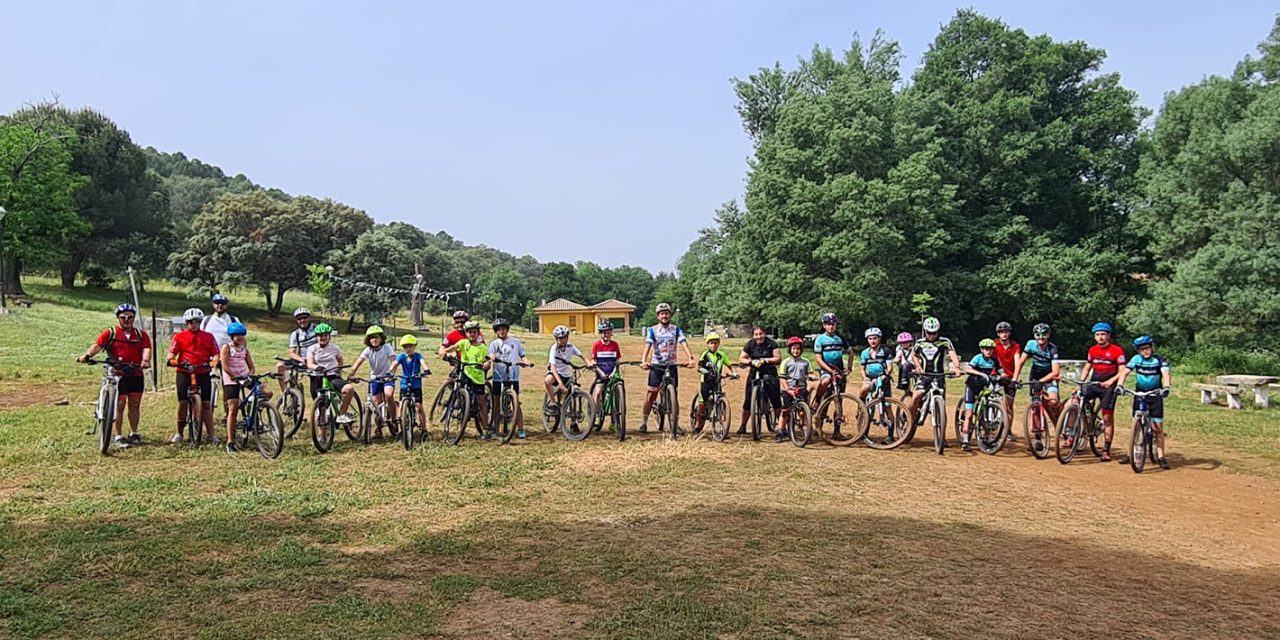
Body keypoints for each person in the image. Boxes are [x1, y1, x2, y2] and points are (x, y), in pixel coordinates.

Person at [77, 303, 152, 448]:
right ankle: (118, 436)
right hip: (118, 373)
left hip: (135, 372)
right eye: (123, 318)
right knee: (119, 404)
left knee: (135, 405)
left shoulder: (141, 335)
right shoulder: (111, 333)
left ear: (133, 318)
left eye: (130, 317)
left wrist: (145, 360)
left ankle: (134, 433)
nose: (127, 320)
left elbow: (146, 349)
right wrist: (86, 355)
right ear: (118, 318)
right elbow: (97, 346)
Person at [1117, 335, 1172, 469]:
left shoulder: (1159, 360)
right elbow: (1125, 372)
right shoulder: (1136, 359)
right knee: (1135, 425)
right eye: (1142, 349)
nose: (1145, 352)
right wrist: (1120, 385)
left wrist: (1166, 387)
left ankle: (1161, 456)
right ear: (1138, 351)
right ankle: (1131, 453)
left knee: (1157, 428)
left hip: (1155, 394)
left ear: (1152, 348)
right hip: (1140, 393)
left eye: (1147, 348)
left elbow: (1166, 375)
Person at [167, 307, 220, 444]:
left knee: (206, 404)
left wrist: (214, 361)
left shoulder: (208, 336)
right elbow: (172, 352)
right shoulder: (179, 336)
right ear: (186, 322)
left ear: (200, 322)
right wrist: (172, 360)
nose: (193, 324)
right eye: (190, 322)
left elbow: (215, 352)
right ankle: (179, 433)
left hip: (202, 370)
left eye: (196, 321)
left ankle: (211, 434)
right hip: (184, 371)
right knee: (183, 402)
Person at [639, 303, 694, 434]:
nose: (664, 316)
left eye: (667, 313)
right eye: (662, 313)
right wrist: (644, 360)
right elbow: (648, 346)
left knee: (673, 394)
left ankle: (675, 423)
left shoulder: (676, 329)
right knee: (651, 394)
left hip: (671, 365)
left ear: (670, 315)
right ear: (658, 316)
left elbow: (683, 343)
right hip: (657, 365)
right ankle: (644, 422)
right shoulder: (652, 330)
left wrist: (690, 357)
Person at [1078, 322, 1126, 461]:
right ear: (1094, 336)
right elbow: (1087, 367)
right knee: (1076, 399)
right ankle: (1083, 424)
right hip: (1095, 382)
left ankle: (1106, 449)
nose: (1100, 337)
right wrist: (1081, 382)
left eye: (1103, 334)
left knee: (1107, 418)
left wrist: (1112, 381)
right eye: (1098, 335)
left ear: (1108, 336)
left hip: (1109, 387)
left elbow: (1122, 371)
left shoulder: (1117, 350)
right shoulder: (1092, 350)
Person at [220, 322, 269, 453]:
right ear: (232, 336)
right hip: (231, 380)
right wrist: (234, 376)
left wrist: (249, 375)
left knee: (267, 393)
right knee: (233, 409)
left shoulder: (245, 350)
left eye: (242, 335)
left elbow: (251, 367)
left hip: (244, 377)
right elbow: (224, 365)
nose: (240, 337)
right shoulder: (226, 348)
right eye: (237, 335)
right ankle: (230, 441)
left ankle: (252, 412)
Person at [1014, 323, 1063, 443]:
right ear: (1035, 336)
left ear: (1048, 336)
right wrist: (1014, 379)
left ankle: (1061, 424)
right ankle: (1038, 438)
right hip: (1035, 376)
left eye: (1044, 335)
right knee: (1036, 406)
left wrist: (1041, 382)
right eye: (1038, 335)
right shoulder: (1031, 345)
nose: (1041, 337)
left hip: (1049, 377)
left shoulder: (1053, 349)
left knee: (1053, 402)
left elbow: (1055, 372)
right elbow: (1020, 362)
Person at [909, 317, 963, 421]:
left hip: (939, 376)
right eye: (929, 333)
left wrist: (957, 368)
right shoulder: (920, 342)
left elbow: (952, 354)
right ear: (925, 331)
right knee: (916, 395)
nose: (932, 335)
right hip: (924, 376)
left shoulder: (944, 341)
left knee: (942, 404)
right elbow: (914, 355)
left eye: (934, 333)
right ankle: (910, 419)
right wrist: (918, 366)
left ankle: (941, 435)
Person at [444, 321, 490, 436]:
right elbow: (453, 347)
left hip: (478, 377)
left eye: (474, 332)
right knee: (460, 391)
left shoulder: (482, 347)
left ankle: (485, 428)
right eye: (469, 332)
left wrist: (487, 364)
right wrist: (445, 352)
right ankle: (461, 411)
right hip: (465, 373)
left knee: (481, 401)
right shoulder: (464, 343)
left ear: (478, 333)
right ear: (466, 333)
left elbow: (487, 359)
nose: (472, 334)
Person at [488, 318, 532, 439]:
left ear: (507, 330)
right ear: (496, 332)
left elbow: (523, 355)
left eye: (504, 329)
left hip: (513, 375)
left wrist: (526, 362)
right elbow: (491, 354)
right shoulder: (494, 343)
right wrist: (492, 357)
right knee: (496, 401)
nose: (502, 331)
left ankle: (521, 428)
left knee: (515, 402)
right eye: (499, 330)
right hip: (498, 375)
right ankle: (495, 426)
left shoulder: (515, 342)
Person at [350, 325, 397, 437]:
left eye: (376, 337)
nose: (374, 340)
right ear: (368, 340)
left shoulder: (387, 347)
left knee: (388, 395)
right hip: (375, 378)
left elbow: (394, 361)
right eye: (371, 338)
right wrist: (351, 374)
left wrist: (391, 373)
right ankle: (378, 427)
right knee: (376, 404)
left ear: (381, 338)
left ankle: (394, 420)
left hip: (387, 378)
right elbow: (358, 362)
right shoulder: (368, 350)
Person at [736, 325, 782, 435]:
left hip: (769, 372)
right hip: (754, 373)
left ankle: (782, 427)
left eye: (760, 334)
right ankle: (743, 425)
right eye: (756, 334)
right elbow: (741, 358)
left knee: (775, 399)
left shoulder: (771, 343)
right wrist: (750, 362)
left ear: (764, 334)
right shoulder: (750, 344)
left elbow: (778, 358)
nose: (758, 337)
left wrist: (767, 360)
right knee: (748, 400)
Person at [306, 323, 356, 423]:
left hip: (332, 376)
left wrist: (339, 370)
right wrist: (317, 367)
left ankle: (342, 414)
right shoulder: (312, 349)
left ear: (329, 336)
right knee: (321, 409)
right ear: (317, 337)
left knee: (349, 389)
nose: (323, 338)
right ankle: (322, 436)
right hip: (317, 377)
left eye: (325, 335)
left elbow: (340, 361)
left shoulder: (335, 348)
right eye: (320, 336)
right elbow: (309, 363)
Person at [959, 338, 1004, 451]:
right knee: (969, 414)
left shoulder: (994, 360)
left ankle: (989, 438)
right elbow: (968, 369)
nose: (988, 351)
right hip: (972, 387)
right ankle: (965, 440)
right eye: (985, 349)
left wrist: (1002, 377)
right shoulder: (977, 358)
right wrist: (981, 374)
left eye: (990, 349)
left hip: (984, 387)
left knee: (983, 414)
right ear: (981, 350)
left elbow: (1001, 372)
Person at [201, 293, 240, 423]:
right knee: (207, 384)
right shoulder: (206, 320)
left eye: (222, 303)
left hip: (228, 357)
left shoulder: (233, 320)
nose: (220, 306)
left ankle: (227, 413)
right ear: (213, 304)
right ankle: (207, 413)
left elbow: (240, 339)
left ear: (226, 305)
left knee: (227, 385)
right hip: (210, 356)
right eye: (217, 303)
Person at [545, 325, 591, 417]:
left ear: (567, 337)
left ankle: (573, 422)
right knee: (547, 381)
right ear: (556, 339)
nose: (562, 340)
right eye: (560, 338)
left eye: (564, 338)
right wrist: (560, 384)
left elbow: (581, 355)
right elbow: (553, 368)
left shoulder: (570, 346)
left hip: (566, 374)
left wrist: (588, 362)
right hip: (556, 373)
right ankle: (553, 404)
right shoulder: (554, 349)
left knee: (571, 395)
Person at [692, 332, 734, 432]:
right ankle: (699, 420)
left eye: (715, 343)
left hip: (717, 381)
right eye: (711, 343)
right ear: (708, 344)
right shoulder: (705, 354)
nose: (713, 345)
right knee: (703, 400)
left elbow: (729, 365)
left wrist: (734, 373)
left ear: (718, 344)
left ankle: (723, 428)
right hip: (706, 381)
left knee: (720, 398)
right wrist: (703, 370)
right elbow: (699, 366)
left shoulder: (722, 355)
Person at [389, 334, 428, 433]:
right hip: (404, 384)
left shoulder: (418, 356)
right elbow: (395, 364)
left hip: (416, 385)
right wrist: (389, 371)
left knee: (419, 407)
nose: (408, 349)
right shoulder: (401, 356)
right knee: (401, 406)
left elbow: (423, 362)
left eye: (410, 346)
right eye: (406, 347)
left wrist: (426, 369)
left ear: (414, 346)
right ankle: (402, 430)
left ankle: (424, 428)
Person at [590, 321, 622, 429]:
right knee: (598, 392)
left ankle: (614, 420)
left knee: (616, 394)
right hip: (601, 374)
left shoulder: (615, 345)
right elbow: (594, 361)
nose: (606, 335)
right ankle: (597, 414)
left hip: (612, 373)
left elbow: (617, 360)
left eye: (608, 333)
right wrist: (601, 373)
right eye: (604, 333)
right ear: (601, 334)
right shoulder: (597, 345)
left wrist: (613, 373)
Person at [276, 307, 316, 393]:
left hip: (315, 360)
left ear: (309, 318)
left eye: (304, 318)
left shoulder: (316, 329)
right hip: (302, 360)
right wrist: (301, 359)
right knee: (280, 366)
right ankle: (285, 393)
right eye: (299, 319)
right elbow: (291, 353)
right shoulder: (295, 334)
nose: (302, 320)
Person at [993, 321, 1022, 439]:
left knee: (1009, 405)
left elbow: (1017, 361)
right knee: (992, 398)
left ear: (1009, 333)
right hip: (997, 375)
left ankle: (1008, 429)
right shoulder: (994, 344)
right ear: (998, 334)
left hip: (1010, 377)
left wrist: (1016, 377)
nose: (1003, 334)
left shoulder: (1015, 346)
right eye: (1001, 332)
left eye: (1006, 332)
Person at [779, 336, 812, 442]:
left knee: (802, 411)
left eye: (798, 349)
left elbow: (810, 373)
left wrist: (812, 376)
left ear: (801, 350)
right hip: (789, 389)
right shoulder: (785, 362)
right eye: (793, 349)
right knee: (785, 411)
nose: (796, 351)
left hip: (801, 388)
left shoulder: (806, 362)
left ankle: (806, 430)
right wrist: (788, 389)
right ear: (790, 350)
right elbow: (782, 378)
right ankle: (780, 430)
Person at [813, 312, 848, 403]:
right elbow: (818, 358)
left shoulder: (840, 338)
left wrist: (850, 368)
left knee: (839, 395)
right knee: (825, 381)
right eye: (828, 324)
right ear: (824, 325)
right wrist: (829, 370)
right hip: (826, 369)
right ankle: (817, 400)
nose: (831, 327)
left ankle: (838, 414)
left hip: (839, 370)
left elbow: (851, 352)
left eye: (833, 324)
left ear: (836, 325)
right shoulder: (820, 339)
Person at [858, 327, 893, 400]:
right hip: (870, 378)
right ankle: (861, 407)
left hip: (883, 378)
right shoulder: (864, 353)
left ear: (879, 339)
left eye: (874, 338)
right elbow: (862, 368)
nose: (872, 341)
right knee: (864, 389)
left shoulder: (886, 351)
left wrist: (885, 375)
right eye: (870, 339)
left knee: (887, 406)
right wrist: (865, 378)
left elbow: (890, 367)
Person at [893, 332, 915, 397]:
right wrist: (896, 360)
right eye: (903, 343)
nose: (905, 344)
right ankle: (902, 384)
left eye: (907, 342)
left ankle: (904, 380)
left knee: (907, 364)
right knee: (902, 367)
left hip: (912, 366)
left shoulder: (913, 350)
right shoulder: (900, 351)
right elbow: (896, 358)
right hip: (903, 367)